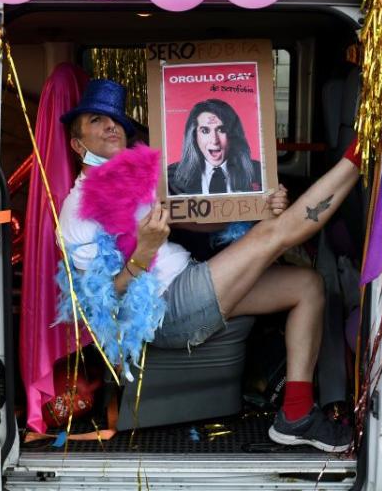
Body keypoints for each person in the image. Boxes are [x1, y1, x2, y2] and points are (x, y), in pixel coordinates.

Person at [57, 79, 363, 452]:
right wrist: (144, 251)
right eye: (96, 120)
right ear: (77, 144)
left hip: (187, 278)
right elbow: (100, 301)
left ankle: (295, 416)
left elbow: (197, 219)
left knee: (307, 286)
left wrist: (257, 209)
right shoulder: (77, 213)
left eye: (117, 120)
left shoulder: (133, 182)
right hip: (164, 307)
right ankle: (359, 156)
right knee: (276, 236)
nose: (111, 125)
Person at [167, 98, 263, 196]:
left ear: (233, 134)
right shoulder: (171, 176)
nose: (214, 140)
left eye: (221, 129)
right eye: (205, 131)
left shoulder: (259, 171)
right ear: (194, 136)